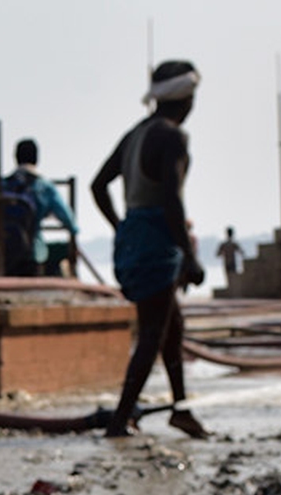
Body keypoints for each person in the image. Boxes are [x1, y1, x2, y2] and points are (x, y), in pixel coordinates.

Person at [91, 59, 208, 440]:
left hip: (135, 238)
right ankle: (119, 420)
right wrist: (189, 257)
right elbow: (172, 199)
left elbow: (98, 185)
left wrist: (122, 227)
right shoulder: (172, 136)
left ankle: (181, 409)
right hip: (158, 240)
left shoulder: (135, 134)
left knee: (173, 326)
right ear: (186, 99)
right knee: (153, 332)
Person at [0, 139, 80, 278]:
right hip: (32, 254)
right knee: (63, 250)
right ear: (37, 158)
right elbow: (69, 222)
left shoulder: (3, 185)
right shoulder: (43, 187)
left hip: (4, 254)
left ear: (16, 158)